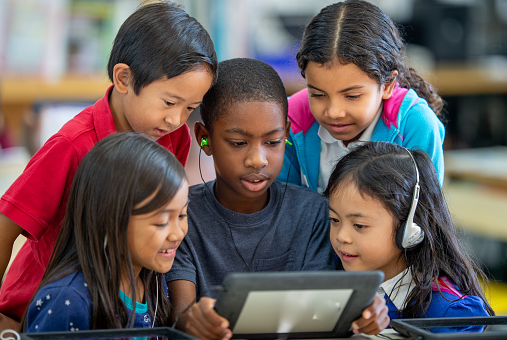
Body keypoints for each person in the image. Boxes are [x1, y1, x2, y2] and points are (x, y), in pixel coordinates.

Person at [0, 1, 217, 332]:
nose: (176, 120)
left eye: (191, 108)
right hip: (48, 308)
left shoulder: (174, 136)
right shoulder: (71, 145)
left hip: (122, 304)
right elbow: (4, 227)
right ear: (124, 78)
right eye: (170, 103)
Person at [165, 58, 389, 340]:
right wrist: (194, 321)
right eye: (237, 143)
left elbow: (322, 317)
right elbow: (180, 313)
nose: (257, 160)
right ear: (204, 139)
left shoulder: (314, 214)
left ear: (286, 133)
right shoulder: (183, 214)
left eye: (273, 142)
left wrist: (364, 312)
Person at [22, 132, 188, 332]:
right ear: (110, 219)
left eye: (182, 215)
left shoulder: (153, 281)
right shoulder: (68, 301)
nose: (177, 234)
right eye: (162, 222)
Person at [323, 141, 494, 333]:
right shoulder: (336, 290)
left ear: (410, 228)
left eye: (359, 225)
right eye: (334, 220)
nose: (342, 236)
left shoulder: (449, 312)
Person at [278, 0, 446, 193]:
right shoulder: (291, 121)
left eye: (352, 96)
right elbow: (285, 208)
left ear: (388, 85)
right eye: (317, 94)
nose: (333, 112)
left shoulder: (416, 126)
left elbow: (424, 215)